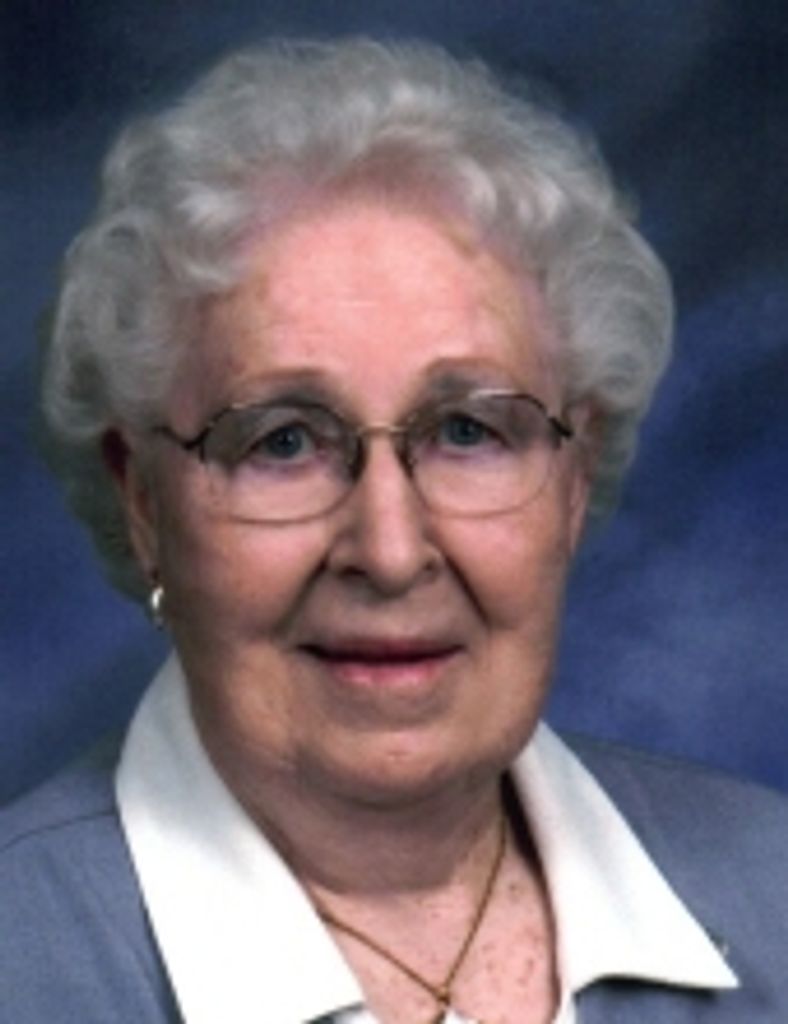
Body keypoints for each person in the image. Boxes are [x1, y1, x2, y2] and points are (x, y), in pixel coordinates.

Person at [2, 37, 786, 1023]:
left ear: (573, 477)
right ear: (144, 502)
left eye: (468, 431)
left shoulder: (772, 887)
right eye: (283, 441)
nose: (389, 549)